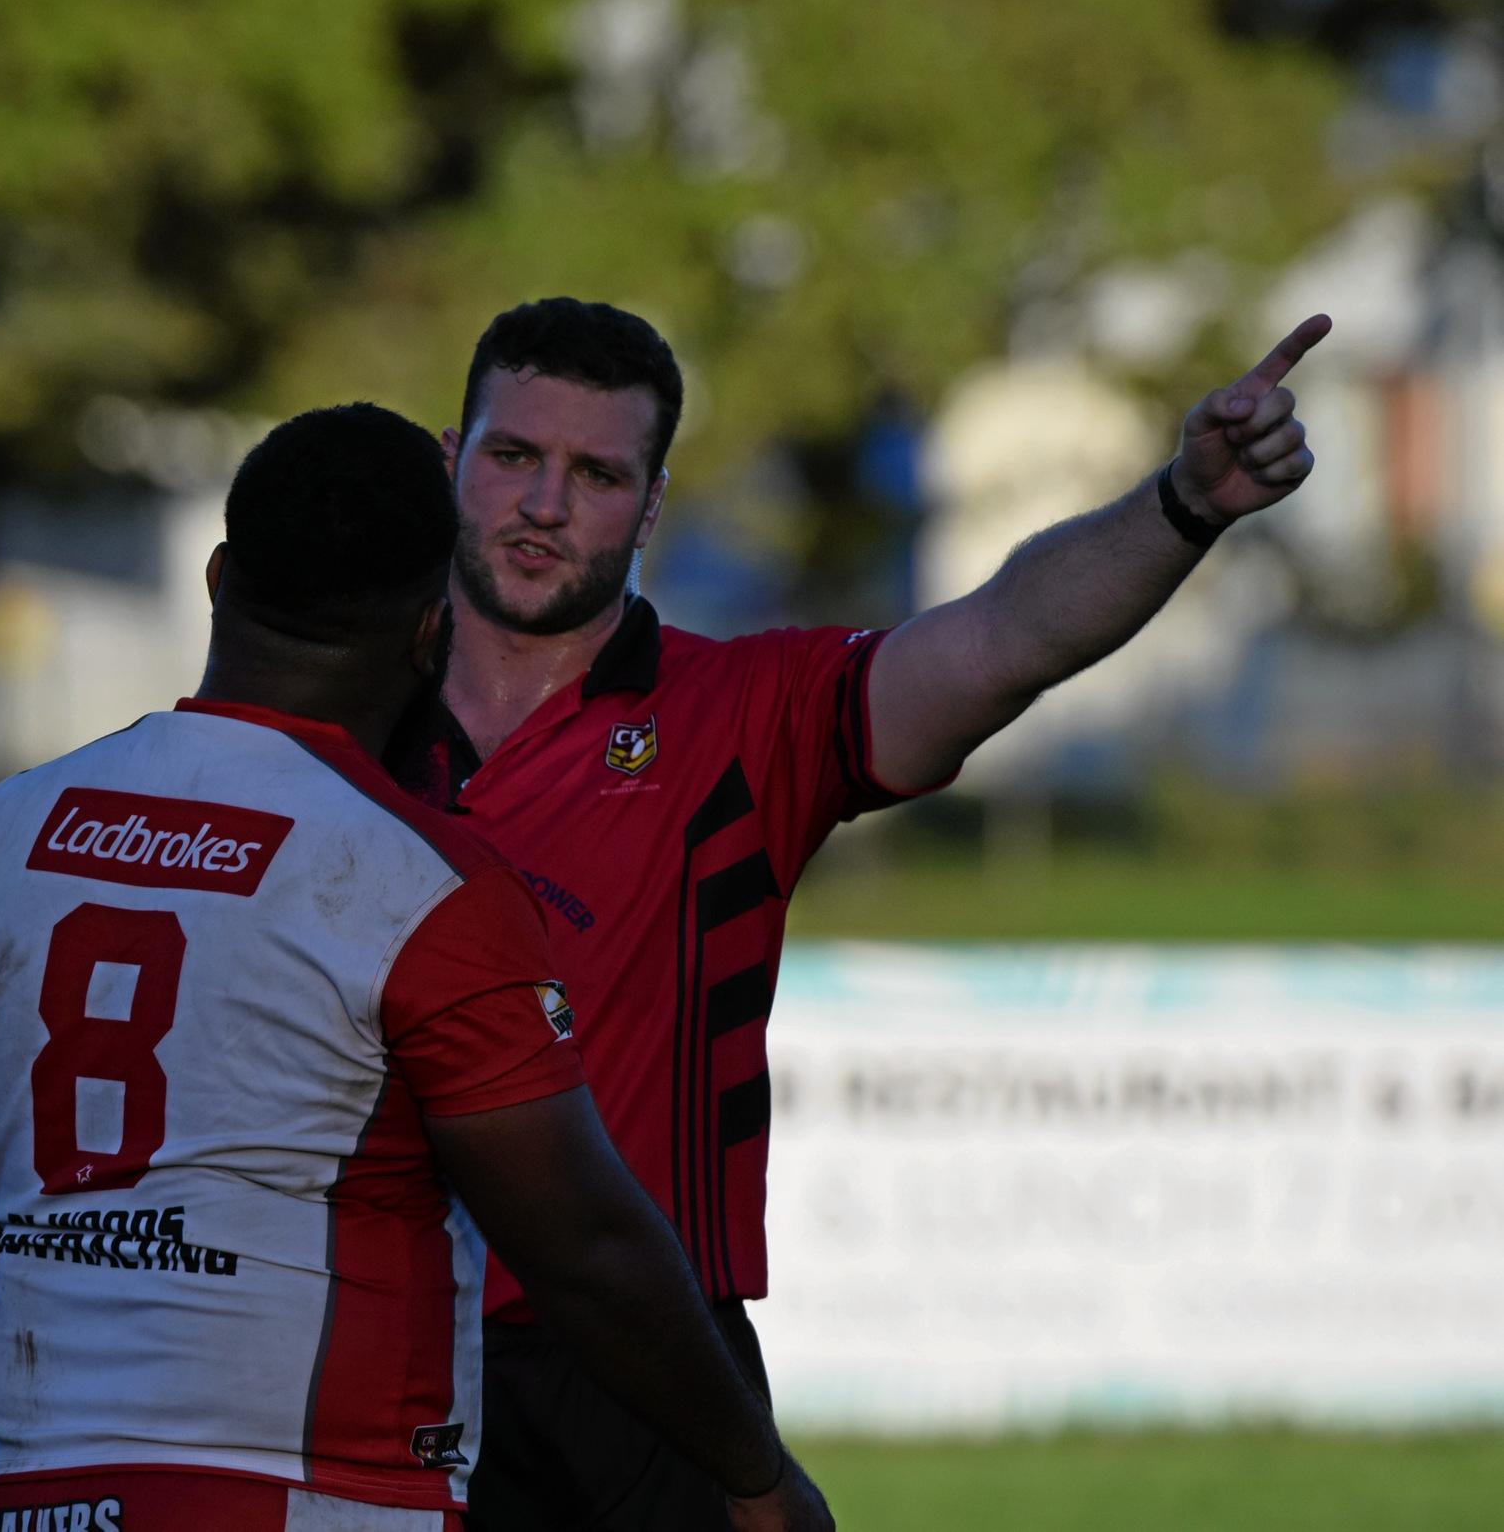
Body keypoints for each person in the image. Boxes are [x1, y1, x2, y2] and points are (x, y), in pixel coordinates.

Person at [0, 403, 832, 1532]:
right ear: (433, 628)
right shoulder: (419, 881)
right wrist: (756, 1476)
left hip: (42, 1495)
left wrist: (35, 1288)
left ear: (220, 578)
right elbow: (584, 1244)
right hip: (317, 1494)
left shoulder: (1, 830)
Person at [389, 296, 1329, 1530]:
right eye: (515, 457)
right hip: (366, 1345)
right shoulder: (341, 722)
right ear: (455, 463)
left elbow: (1003, 638)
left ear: (653, 504)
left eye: (598, 473)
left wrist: (1185, 505)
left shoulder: (739, 717)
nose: (546, 504)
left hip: (643, 1374)